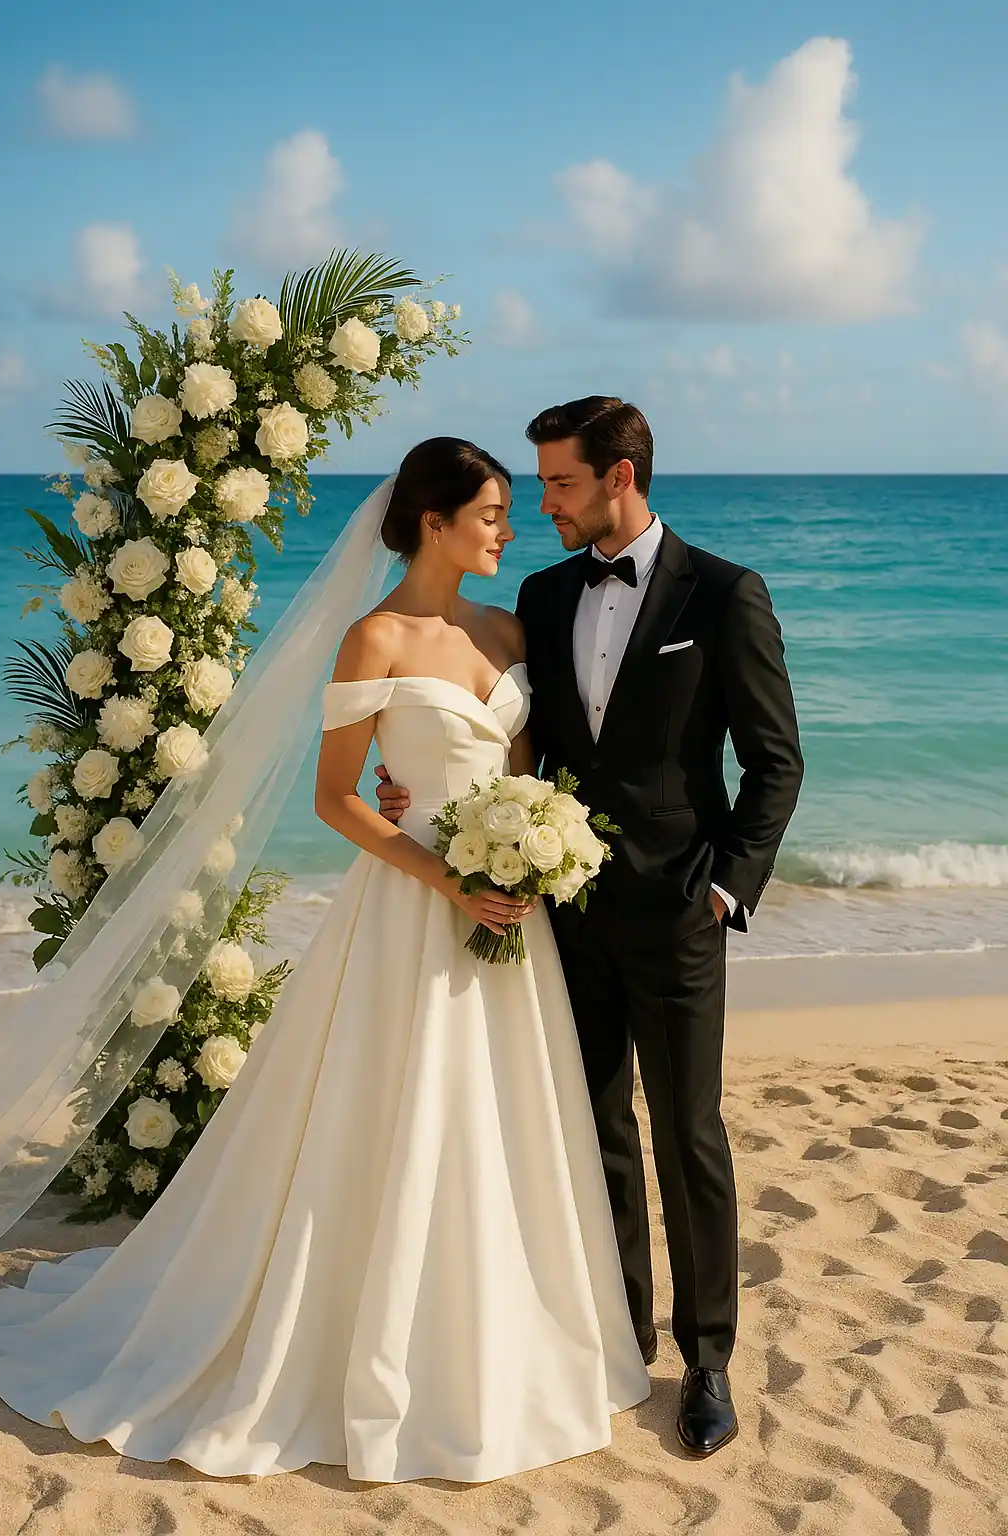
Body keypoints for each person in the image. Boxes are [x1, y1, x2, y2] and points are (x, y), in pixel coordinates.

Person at [0, 438, 650, 1483]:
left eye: (508, 512)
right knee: (391, 1116)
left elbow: (525, 774)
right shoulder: (372, 638)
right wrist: (443, 873)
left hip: (505, 916)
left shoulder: (508, 626)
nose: (504, 530)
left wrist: (534, 848)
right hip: (410, 908)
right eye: (487, 512)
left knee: (504, 1121)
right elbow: (336, 796)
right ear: (431, 523)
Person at [377, 399, 804, 1457]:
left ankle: (707, 1363)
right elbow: (518, 747)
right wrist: (420, 793)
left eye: (560, 483)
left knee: (688, 1136)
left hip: (679, 915)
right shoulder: (540, 592)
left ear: (619, 477)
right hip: (562, 916)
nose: (544, 505)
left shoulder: (723, 593)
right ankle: (621, 1332)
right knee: (596, 1126)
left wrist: (727, 886)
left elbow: (775, 759)